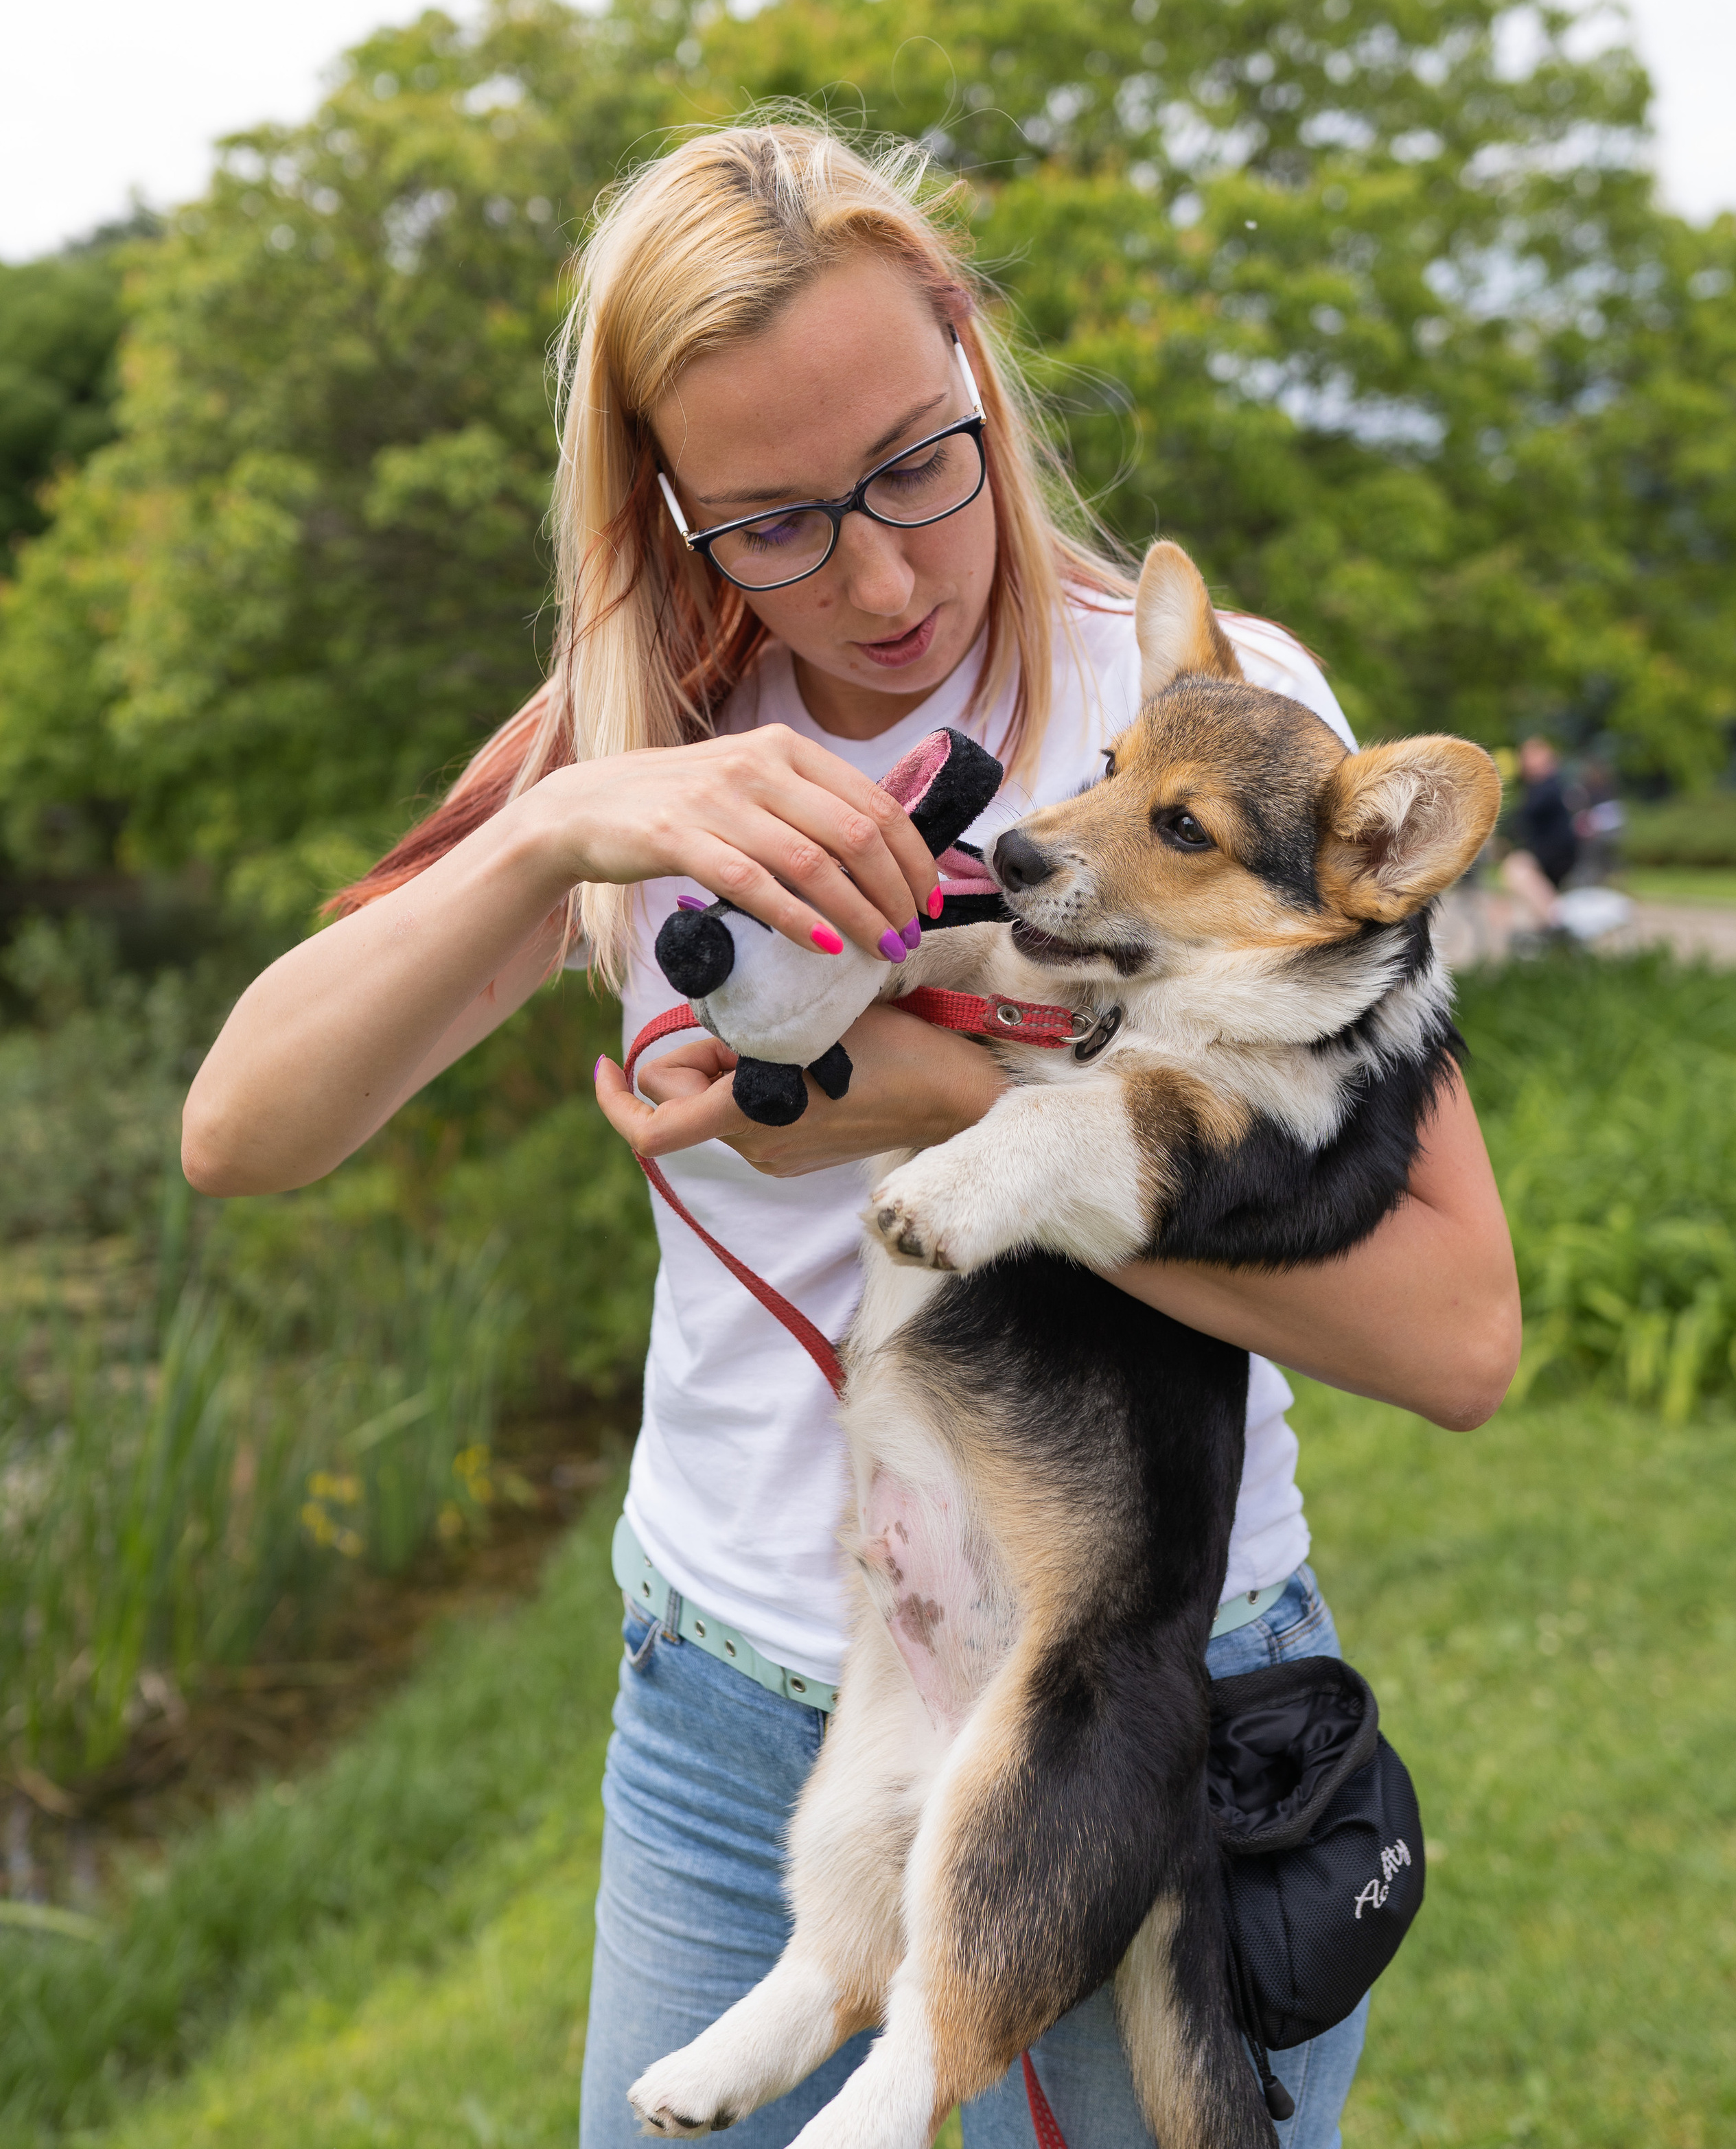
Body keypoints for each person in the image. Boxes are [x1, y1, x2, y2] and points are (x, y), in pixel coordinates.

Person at [182, 124, 1520, 2148]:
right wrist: (551, 824)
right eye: (779, 520)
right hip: (740, 1712)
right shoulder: (620, 727)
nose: (883, 574)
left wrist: (959, 1106)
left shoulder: (1202, 724)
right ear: (664, 502)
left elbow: (1452, 1332)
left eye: (915, 461)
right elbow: (241, 1129)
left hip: (1131, 1690)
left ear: (973, 360)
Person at [1500, 736, 1580, 934]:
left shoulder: (1548, 786)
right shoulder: (1545, 786)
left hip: (1555, 855)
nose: (1526, 761)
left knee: (1516, 868)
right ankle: (1548, 927)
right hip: (1552, 854)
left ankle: (1558, 925)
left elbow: (1523, 816)